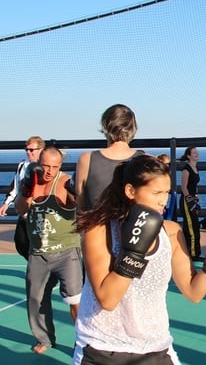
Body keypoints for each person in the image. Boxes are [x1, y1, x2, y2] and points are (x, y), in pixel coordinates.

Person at [72, 154, 206, 364]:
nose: (163, 200)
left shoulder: (171, 232)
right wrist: (134, 251)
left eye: (167, 192)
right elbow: (107, 300)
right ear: (130, 191)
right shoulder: (99, 231)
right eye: (156, 192)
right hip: (101, 348)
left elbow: (194, 292)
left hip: (155, 347)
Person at [14, 146, 83, 354]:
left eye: (54, 166)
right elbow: (20, 209)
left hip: (67, 250)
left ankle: (84, 340)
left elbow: (82, 207)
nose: (49, 171)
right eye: (45, 166)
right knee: (36, 299)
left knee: (75, 300)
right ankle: (44, 338)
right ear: (38, 164)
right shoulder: (31, 182)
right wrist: (27, 190)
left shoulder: (65, 182)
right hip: (38, 252)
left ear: (60, 165)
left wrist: (77, 193)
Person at [75, 104, 141, 212]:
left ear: (105, 126)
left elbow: (80, 204)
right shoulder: (144, 160)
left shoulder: (86, 159)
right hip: (132, 222)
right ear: (133, 127)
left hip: (95, 221)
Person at [0, 136, 45, 259]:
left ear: (41, 150)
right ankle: (33, 263)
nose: (28, 152)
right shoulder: (22, 165)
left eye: (32, 150)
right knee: (21, 242)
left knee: (41, 244)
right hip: (24, 210)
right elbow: (15, 186)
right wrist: (6, 203)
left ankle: (40, 266)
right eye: (26, 149)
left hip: (40, 212)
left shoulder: (46, 166)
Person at [178, 146, 203, 261]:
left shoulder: (195, 168)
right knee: (191, 227)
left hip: (193, 200)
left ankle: (190, 251)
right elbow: (184, 187)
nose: (196, 154)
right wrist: (190, 200)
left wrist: (196, 198)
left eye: (197, 152)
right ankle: (193, 254)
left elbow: (194, 186)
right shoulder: (186, 169)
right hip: (187, 202)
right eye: (194, 153)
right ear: (188, 156)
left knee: (194, 226)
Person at [157, 154, 177, 221]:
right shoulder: (156, 176)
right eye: (165, 164)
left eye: (168, 164)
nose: (167, 166)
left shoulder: (167, 175)